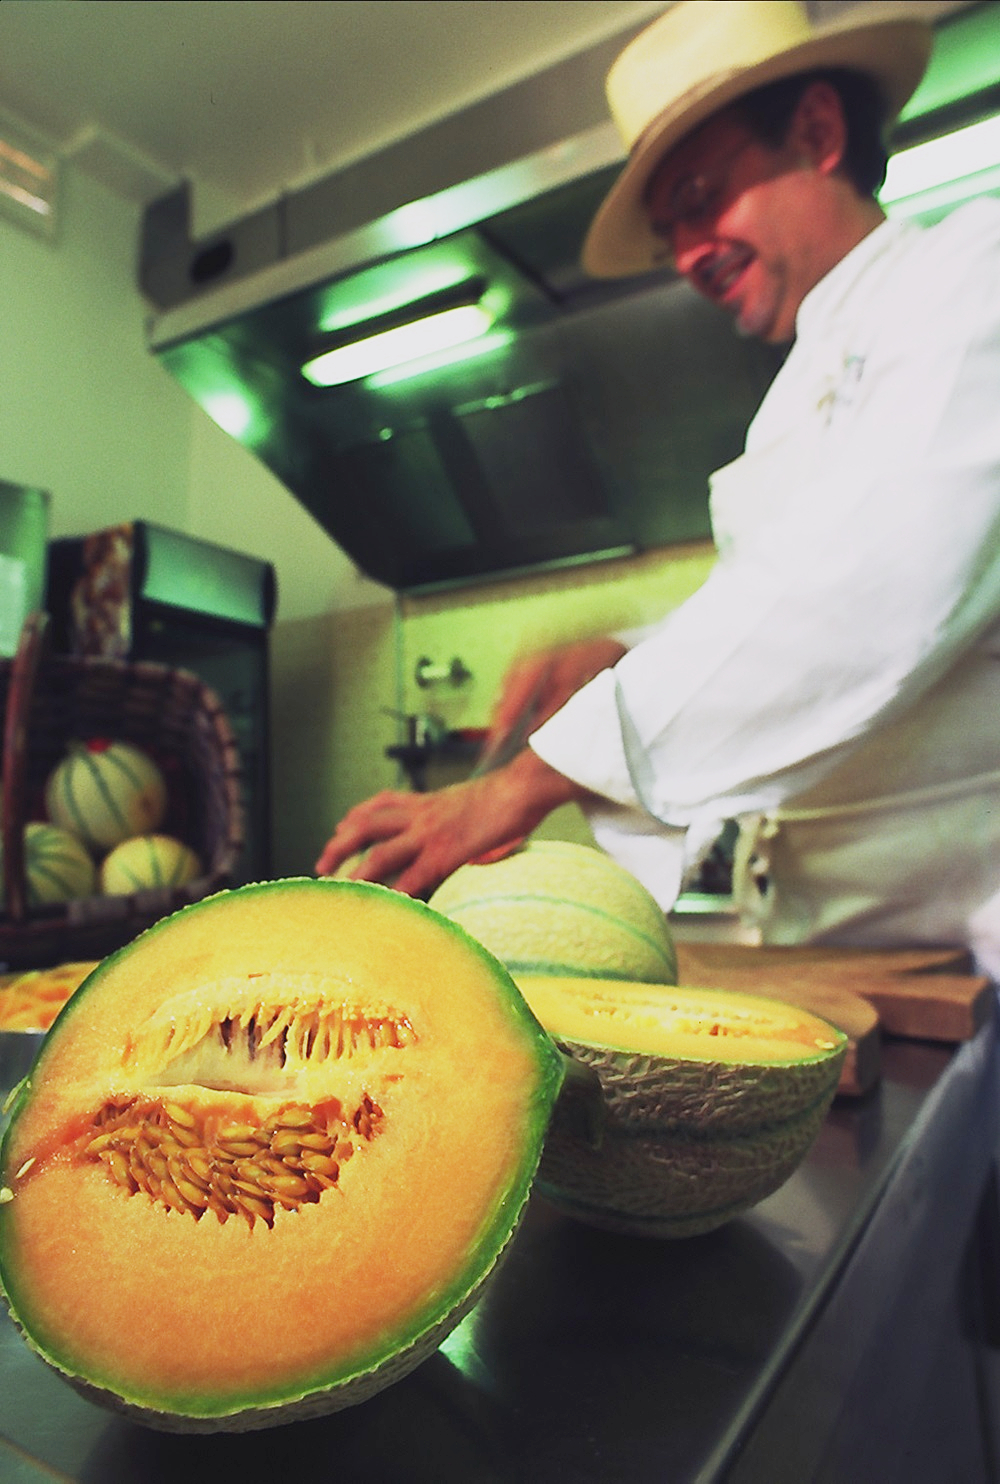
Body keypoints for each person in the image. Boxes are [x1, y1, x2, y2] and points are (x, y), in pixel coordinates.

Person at [316, 0, 1000, 978]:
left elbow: (876, 585)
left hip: (979, 951)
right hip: (852, 955)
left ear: (816, 133)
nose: (684, 254)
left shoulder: (969, 273)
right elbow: (773, 598)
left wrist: (524, 780)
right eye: (668, 226)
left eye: (699, 196)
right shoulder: (788, 403)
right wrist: (621, 655)